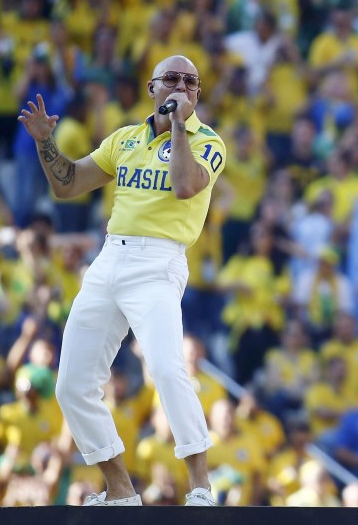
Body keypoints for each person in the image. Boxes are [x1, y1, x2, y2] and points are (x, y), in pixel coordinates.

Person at [17, 55, 226, 507]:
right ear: (151, 87)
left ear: (198, 94)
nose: (181, 86)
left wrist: (179, 128)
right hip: (110, 258)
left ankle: (201, 487)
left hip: (160, 261)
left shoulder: (208, 141)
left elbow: (187, 186)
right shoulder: (124, 139)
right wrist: (45, 143)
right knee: (71, 384)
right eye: (171, 78)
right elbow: (68, 185)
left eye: (191, 81)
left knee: (168, 369)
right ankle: (120, 489)